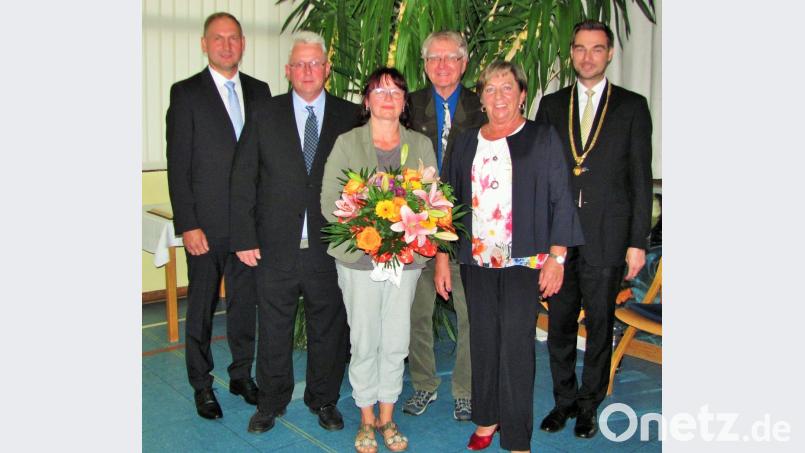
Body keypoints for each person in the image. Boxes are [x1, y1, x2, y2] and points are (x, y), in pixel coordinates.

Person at [435, 61, 583, 453]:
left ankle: (517, 436)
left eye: (507, 88)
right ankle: (487, 417)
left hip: (526, 260)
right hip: (475, 259)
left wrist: (557, 257)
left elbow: (561, 198)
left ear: (521, 95)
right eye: (490, 89)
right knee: (482, 340)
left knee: (516, 347)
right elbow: (445, 203)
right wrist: (439, 258)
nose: (498, 96)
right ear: (480, 98)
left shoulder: (541, 136)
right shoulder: (465, 141)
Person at [229, 31, 361, 434]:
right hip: (274, 246)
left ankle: (324, 399)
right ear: (288, 71)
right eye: (299, 64)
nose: (307, 71)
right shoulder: (264, 113)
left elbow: (362, 181)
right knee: (273, 327)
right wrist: (244, 237)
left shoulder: (350, 115)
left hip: (330, 247)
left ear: (326, 69)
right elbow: (243, 178)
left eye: (315, 63)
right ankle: (271, 401)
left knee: (329, 327)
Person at [535, 19, 653, 439]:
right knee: (560, 321)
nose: (588, 56)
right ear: (571, 53)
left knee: (601, 323)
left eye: (597, 49)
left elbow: (640, 177)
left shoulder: (632, 106)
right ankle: (563, 401)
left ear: (610, 54)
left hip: (608, 234)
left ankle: (590, 404)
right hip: (559, 238)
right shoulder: (551, 105)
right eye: (580, 49)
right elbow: (539, 175)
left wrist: (637, 242)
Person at [321, 67, 437, 453]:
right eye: (379, 91)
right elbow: (329, 203)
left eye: (396, 92)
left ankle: (388, 417)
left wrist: (401, 241)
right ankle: (366, 419)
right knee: (365, 339)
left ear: (405, 102)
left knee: (396, 340)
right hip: (357, 261)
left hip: (405, 262)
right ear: (367, 99)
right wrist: (371, 243)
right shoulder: (347, 143)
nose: (388, 98)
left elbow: (431, 204)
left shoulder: (420, 144)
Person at [166, 11, 270, 420]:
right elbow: (179, 165)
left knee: (246, 306)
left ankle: (242, 375)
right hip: (204, 229)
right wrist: (187, 224)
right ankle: (202, 384)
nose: (227, 45)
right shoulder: (186, 93)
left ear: (243, 44)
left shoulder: (261, 92)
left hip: (250, 228)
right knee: (202, 308)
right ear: (204, 44)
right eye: (218, 38)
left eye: (234, 38)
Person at [403, 31, 486, 422]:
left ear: (464, 63)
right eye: (433, 58)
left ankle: (466, 391)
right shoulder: (408, 105)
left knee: (471, 315)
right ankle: (423, 385)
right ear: (424, 64)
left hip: (466, 230)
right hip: (415, 229)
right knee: (415, 314)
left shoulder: (484, 106)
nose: (441, 66)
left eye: (450, 58)